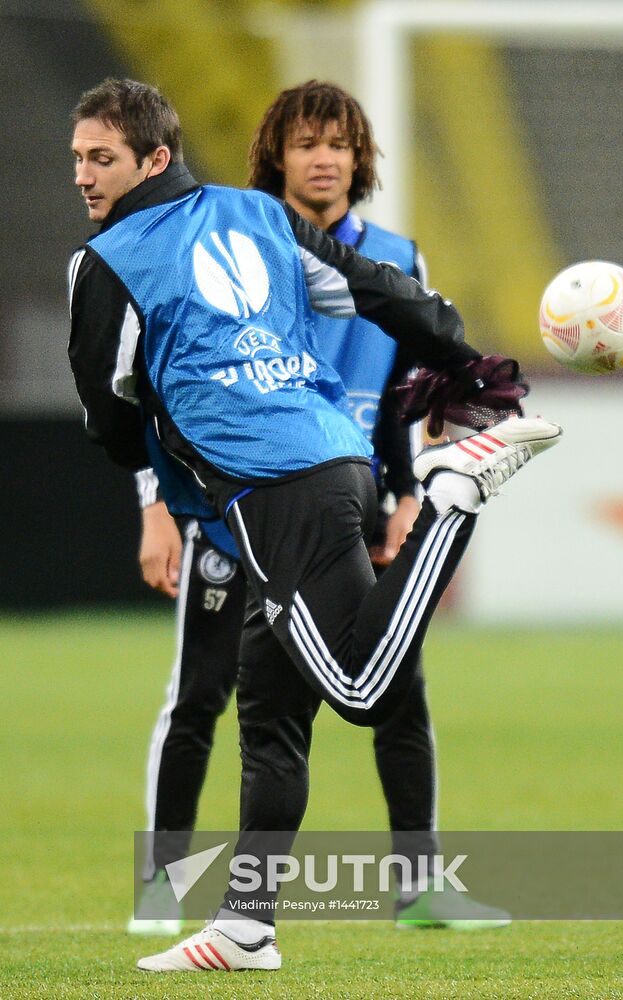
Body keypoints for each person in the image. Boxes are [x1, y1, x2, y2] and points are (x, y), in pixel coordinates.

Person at [68, 78, 561, 974]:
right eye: (77, 159)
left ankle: (455, 500)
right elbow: (382, 290)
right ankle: (246, 926)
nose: (83, 176)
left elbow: (105, 413)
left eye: (100, 157)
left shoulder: (107, 261)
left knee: (363, 690)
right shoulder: (256, 215)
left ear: (153, 159)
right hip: (331, 455)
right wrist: (457, 352)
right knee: (269, 713)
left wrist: (164, 437)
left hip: (270, 484)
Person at [129, 79, 486, 938]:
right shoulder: (236, 236)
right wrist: (153, 500)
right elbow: (161, 376)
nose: (323, 158)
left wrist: (402, 493)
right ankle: (162, 887)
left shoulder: (399, 254)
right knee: (202, 695)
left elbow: (403, 389)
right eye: (305, 143)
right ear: (276, 157)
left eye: (338, 143)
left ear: (358, 157)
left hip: (351, 498)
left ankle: (418, 887)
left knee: (392, 694)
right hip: (242, 505)